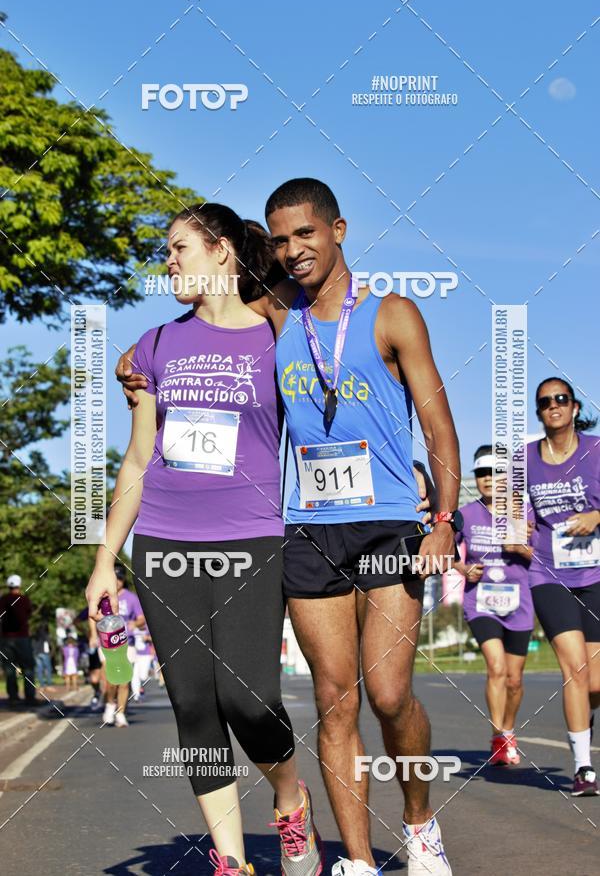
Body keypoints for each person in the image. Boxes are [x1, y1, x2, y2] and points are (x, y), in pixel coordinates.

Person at [116, 180, 455, 875]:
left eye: (307, 234)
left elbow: (438, 424)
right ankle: (356, 861)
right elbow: (209, 314)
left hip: (389, 525)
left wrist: (444, 519)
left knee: (389, 696)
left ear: (338, 230)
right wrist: (138, 359)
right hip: (304, 529)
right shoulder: (274, 317)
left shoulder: (392, 315)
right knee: (334, 702)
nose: (294, 250)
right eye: (280, 239)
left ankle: (420, 822)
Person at [88, 204, 325, 876]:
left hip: (251, 539)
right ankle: (229, 860)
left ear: (223, 252)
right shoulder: (155, 346)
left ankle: (288, 802)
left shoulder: (277, 335)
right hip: (163, 541)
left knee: (247, 698)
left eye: (180, 248)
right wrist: (106, 561)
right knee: (193, 703)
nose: (169, 262)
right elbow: (137, 461)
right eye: (166, 251)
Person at [527, 377, 600, 797]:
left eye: (561, 399)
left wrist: (596, 517)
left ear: (574, 407)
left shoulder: (595, 451)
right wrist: (516, 529)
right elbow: (512, 513)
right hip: (548, 574)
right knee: (574, 669)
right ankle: (584, 767)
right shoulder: (524, 459)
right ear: (539, 412)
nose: (553, 405)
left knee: (594, 683)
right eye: (545, 402)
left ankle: (582, 722)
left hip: (595, 576)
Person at [454, 445, 534, 765]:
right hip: (480, 600)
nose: (487, 479)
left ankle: (509, 729)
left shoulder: (523, 511)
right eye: (482, 474)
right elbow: (447, 551)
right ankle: (499, 736)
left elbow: (542, 557)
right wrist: (463, 569)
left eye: (494, 473)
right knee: (496, 668)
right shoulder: (467, 514)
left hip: (519, 602)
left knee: (514, 679)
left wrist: (518, 545)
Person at [101, 564, 145, 728]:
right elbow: (92, 615)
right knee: (111, 680)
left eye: (120, 578)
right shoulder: (103, 597)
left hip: (128, 643)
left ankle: (120, 713)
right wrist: (93, 634)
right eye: (115, 578)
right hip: (107, 643)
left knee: (125, 680)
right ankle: (110, 704)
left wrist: (135, 623)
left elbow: (142, 618)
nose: (118, 581)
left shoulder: (131, 598)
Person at [0, 574, 39, 709]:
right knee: (28, 668)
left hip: (6, 639)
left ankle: (13, 697)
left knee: (9, 669)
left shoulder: (3, 599)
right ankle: (30, 697)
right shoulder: (24, 600)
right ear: (19, 585)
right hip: (22, 638)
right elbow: (28, 614)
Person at [33, 623, 54, 691]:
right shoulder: (45, 635)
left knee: (39, 670)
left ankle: (42, 686)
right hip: (44, 653)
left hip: (36, 653)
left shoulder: (35, 635)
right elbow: (48, 643)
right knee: (47, 669)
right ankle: (49, 685)